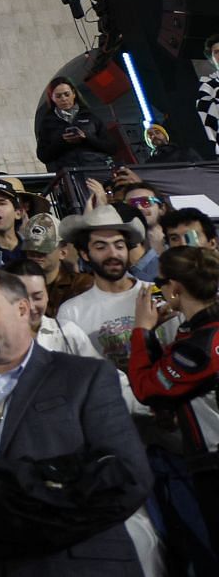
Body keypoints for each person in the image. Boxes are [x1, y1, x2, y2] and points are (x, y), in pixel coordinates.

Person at [0, 267, 150, 574]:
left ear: (22, 309)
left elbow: (129, 475)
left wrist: (15, 494)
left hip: (77, 562)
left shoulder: (84, 376)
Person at [128, 244, 219, 570]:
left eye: (160, 283)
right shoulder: (200, 334)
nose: (157, 290)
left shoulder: (200, 346)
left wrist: (140, 330)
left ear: (175, 289)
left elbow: (147, 389)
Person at [56, 204, 145, 368]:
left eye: (119, 245)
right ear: (85, 254)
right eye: (101, 247)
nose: (113, 254)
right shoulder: (71, 312)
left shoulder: (156, 294)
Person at [36, 77, 117, 171]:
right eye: (58, 96)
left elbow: (112, 147)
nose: (64, 99)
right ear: (52, 98)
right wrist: (62, 141)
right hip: (69, 172)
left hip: (97, 168)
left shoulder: (90, 117)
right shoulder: (47, 123)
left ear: (74, 94)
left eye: (67, 94)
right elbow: (43, 156)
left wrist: (86, 138)